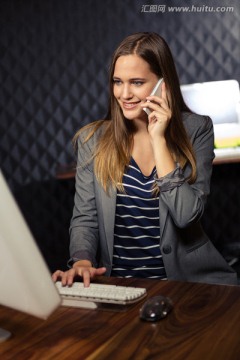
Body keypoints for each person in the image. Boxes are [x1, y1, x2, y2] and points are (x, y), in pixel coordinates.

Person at [52, 32, 237, 287]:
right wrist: (82, 260)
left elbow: (186, 216)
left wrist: (158, 139)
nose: (124, 94)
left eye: (136, 82)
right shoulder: (91, 140)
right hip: (121, 284)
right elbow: (85, 216)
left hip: (188, 284)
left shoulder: (197, 129)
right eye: (118, 82)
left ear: (164, 84)